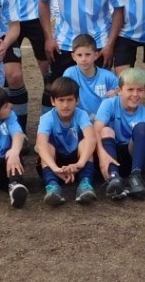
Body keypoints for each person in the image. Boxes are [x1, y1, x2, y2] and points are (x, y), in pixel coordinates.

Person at [94, 68, 145, 200]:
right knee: (104, 130)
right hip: (109, 157)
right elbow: (95, 130)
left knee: (142, 127)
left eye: (140, 90)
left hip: (130, 157)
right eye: (130, 89)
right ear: (119, 90)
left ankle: (135, 176)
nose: (135, 94)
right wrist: (102, 155)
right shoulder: (108, 104)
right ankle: (114, 178)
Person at [36, 77, 99, 206]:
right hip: (55, 162)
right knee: (46, 146)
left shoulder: (81, 114)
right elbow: (41, 145)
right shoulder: (46, 118)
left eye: (70, 100)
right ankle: (52, 187)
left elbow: (92, 139)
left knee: (86, 142)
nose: (65, 105)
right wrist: (55, 169)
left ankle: (85, 184)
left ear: (77, 100)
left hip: (78, 160)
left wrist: (79, 164)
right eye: (61, 100)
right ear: (53, 101)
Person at [62, 34, 118, 120]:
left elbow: (120, 103)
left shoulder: (109, 77)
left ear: (96, 55)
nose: (83, 59)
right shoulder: (69, 74)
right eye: (79, 55)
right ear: (73, 56)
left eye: (88, 54)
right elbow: (65, 100)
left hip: (103, 122)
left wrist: (116, 97)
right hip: (78, 121)